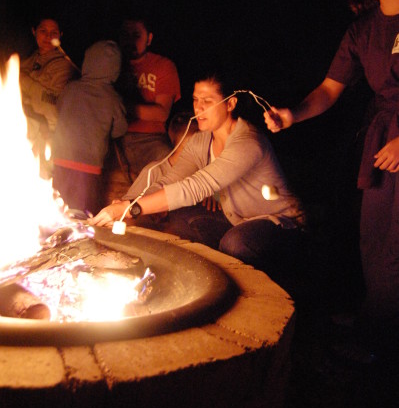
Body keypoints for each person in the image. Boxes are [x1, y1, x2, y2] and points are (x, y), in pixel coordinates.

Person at [264, 0, 399, 360]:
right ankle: (375, 324)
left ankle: (379, 338)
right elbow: (328, 90)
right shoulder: (363, 30)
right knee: (374, 239)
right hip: (382, 140)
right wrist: (291, 115)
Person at [90, 70, 305, 284]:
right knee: (182, 219)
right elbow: (170, 180)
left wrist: (132, 208)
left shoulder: (248, 142)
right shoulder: (200, 142)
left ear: (230, 104)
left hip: (281, 224)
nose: (198, 107)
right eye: (195, 99)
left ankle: (259, 291)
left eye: (207, 101)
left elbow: (195, 187)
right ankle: (202, 281)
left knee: (235, 243)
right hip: (238, 220)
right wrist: (127, 204)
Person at [52, 40, 128, 216]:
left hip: (60, 160)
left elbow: (58, 110)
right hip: (88, 168)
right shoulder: (112, 98)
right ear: (115, 69)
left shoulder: (70, 88)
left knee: (56, 209)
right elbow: (120, 130)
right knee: (82, 214)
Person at [115, 12, 181, 177]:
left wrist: (119, 106)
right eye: (125, 35)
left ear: (149, 39)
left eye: (136, 35)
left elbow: (161, 114)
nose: (130, 40)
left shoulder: (163, 66)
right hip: (113, 136)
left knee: (172, 170)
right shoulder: (110, 64)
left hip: (149, 139)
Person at [19, 16, 78, 175]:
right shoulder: (27, 61)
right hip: (24, 124)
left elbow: (48, 102)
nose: (48, 36)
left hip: (49, 132)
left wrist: (23, 79)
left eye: (54, 32)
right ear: (34, 31)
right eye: (43, 31)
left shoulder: (65, 65)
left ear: (60, 35)